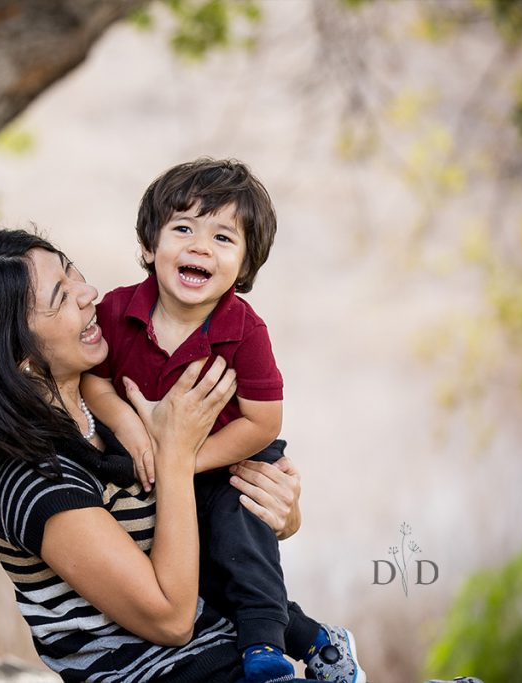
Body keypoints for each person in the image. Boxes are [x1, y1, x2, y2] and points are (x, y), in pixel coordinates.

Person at [0, 229, 311, 682]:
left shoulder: (116, 409)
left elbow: (200, 522)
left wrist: (276, 513)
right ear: (20, 358)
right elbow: (170, 620)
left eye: (72, 272)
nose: (89, 293)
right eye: (61, 297)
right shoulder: (34, 479)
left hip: (240, 658)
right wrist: (176, 454)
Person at [81, 158, 364, 683]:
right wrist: (125, 424)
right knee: (203, 577)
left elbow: (262, 422)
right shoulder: (116, 312)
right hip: (153, 464)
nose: (199, 247)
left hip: (233, 461)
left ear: (245, 266)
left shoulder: (244, 330)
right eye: (182, 228)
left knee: (240, 548)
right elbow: (94, 383)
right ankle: (318, 641)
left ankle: (264, 655)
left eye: (223, 238)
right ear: (149, 246)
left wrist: (182, 459)